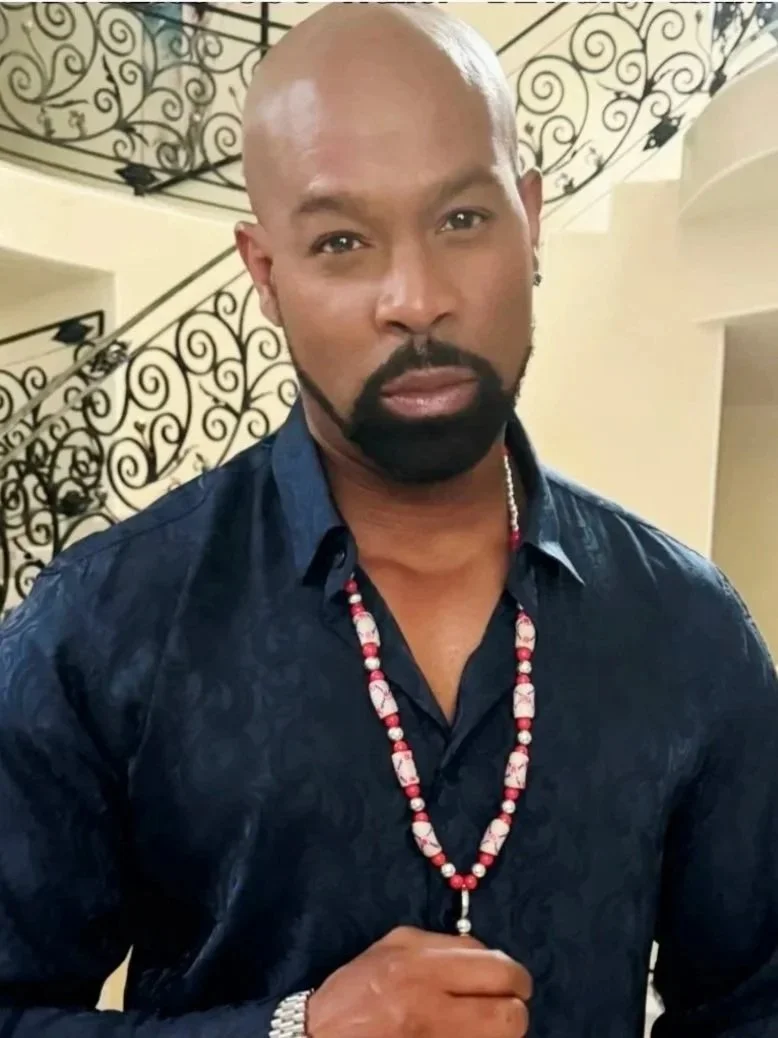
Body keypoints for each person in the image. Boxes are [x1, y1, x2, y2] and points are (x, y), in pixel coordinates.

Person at [0, 4, 776, 1037]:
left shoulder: (687, 629)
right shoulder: (104, 623)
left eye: (462, 220)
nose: (414, 299)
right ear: (266, 275)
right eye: (340, 241)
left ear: (530, 221)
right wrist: (293, 1031)